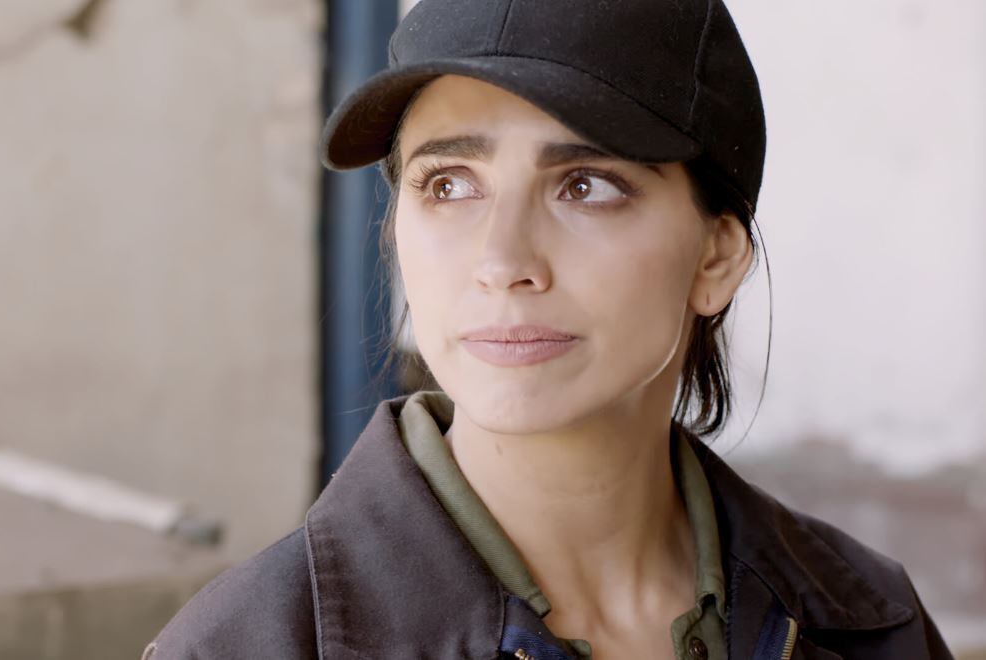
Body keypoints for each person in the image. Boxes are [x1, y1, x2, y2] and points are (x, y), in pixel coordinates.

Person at [145, 1, 953, 658]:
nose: (502, 262)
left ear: (715, 256)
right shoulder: (246, 647)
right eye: (448, 184)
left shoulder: (868, 623)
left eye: (586, 185)